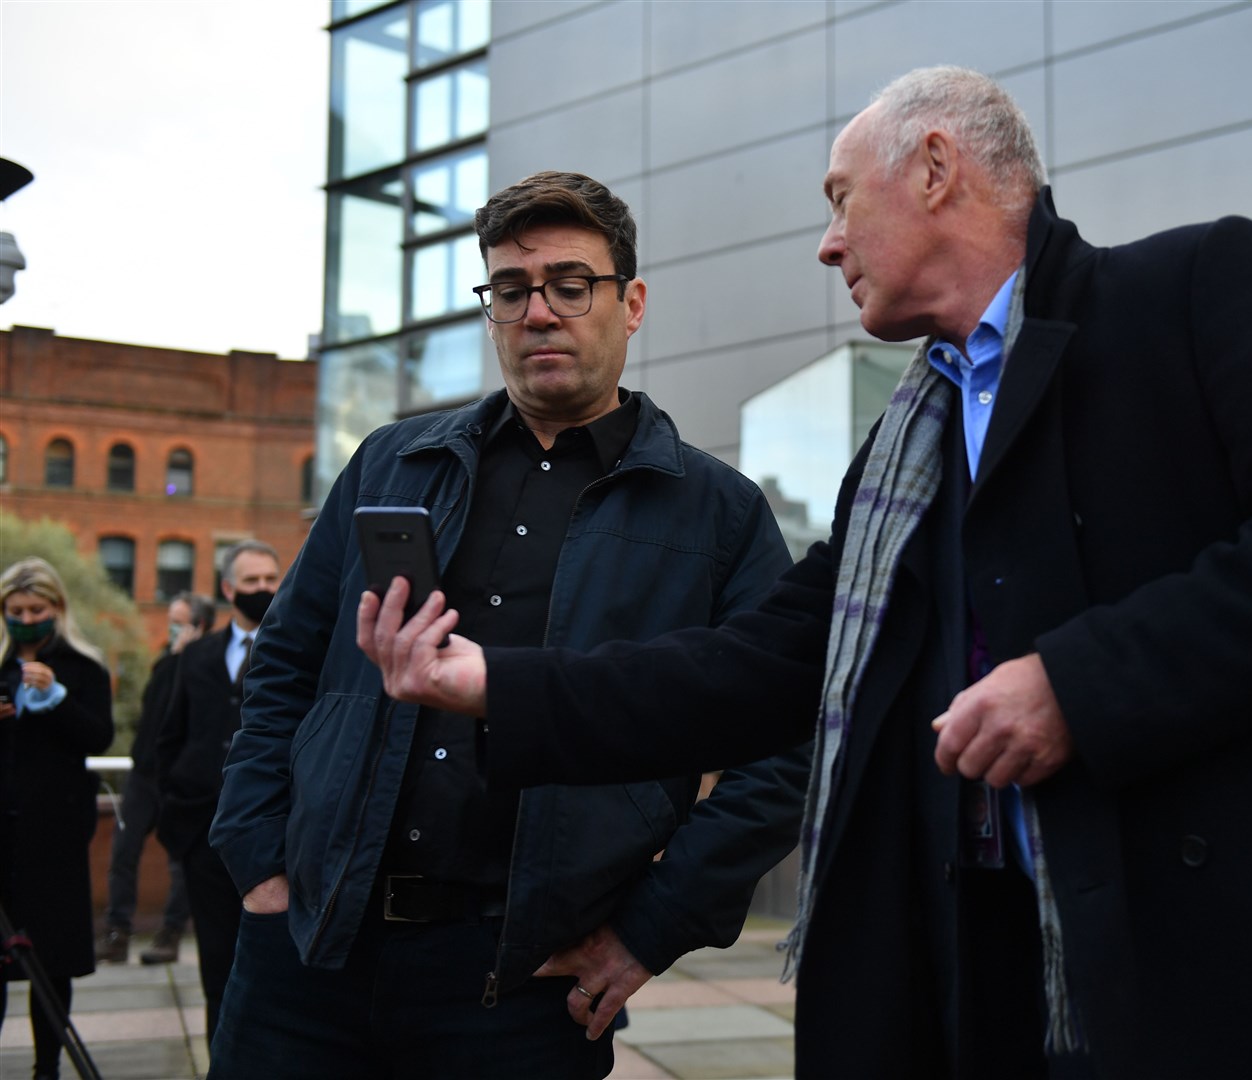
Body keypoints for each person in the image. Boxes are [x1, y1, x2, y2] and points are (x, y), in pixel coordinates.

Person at [359, 67, 1252, 1079]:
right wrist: (496, 688)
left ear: (939, 167)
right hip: (996, 983)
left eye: (844, 198)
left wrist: (1079, 684)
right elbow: (758, 668)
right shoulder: (901, 449)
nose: (828, 243)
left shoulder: (1193, 287)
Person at [207, 170, 807, 1078]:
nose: (539, 312)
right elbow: (284, 666)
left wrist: (649, 929)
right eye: (512, 289)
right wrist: (257, 858)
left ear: (631, 303)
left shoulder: (717, 515)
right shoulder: (390, 465)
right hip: (308, 957)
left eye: (571, 285)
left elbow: (787, 742)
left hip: (523, 984)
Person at [155, 540, 280, 1045]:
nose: (263, 590)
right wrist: (175, 818)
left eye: (271, 579)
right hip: (202, 833)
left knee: (272, 971)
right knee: (215, 965)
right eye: (251, 582)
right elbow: (169, 736)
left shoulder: (297, 646)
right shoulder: (198, 655)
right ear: (228, 589)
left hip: (274, 837)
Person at [0, 556, 114, 1080]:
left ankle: (47, 1067)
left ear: (57, 609)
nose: (26, 618)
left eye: (36, 608)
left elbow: (98, 737)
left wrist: (57, 700)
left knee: (52, 961)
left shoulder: (83, 668)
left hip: (55, 835)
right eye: (16, 609)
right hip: (3, 831)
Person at [96, 591, 212, 967]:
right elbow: (154, 709)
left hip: (177, 778)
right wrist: (175, 658)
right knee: (124, 852)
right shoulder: (165, 663)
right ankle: (117, 932)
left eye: (180, 620)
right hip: (144, 774)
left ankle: (171, 933)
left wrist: (185, 658)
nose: (171, 627)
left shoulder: (205, 667)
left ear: (200, 627)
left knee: (180, 861)